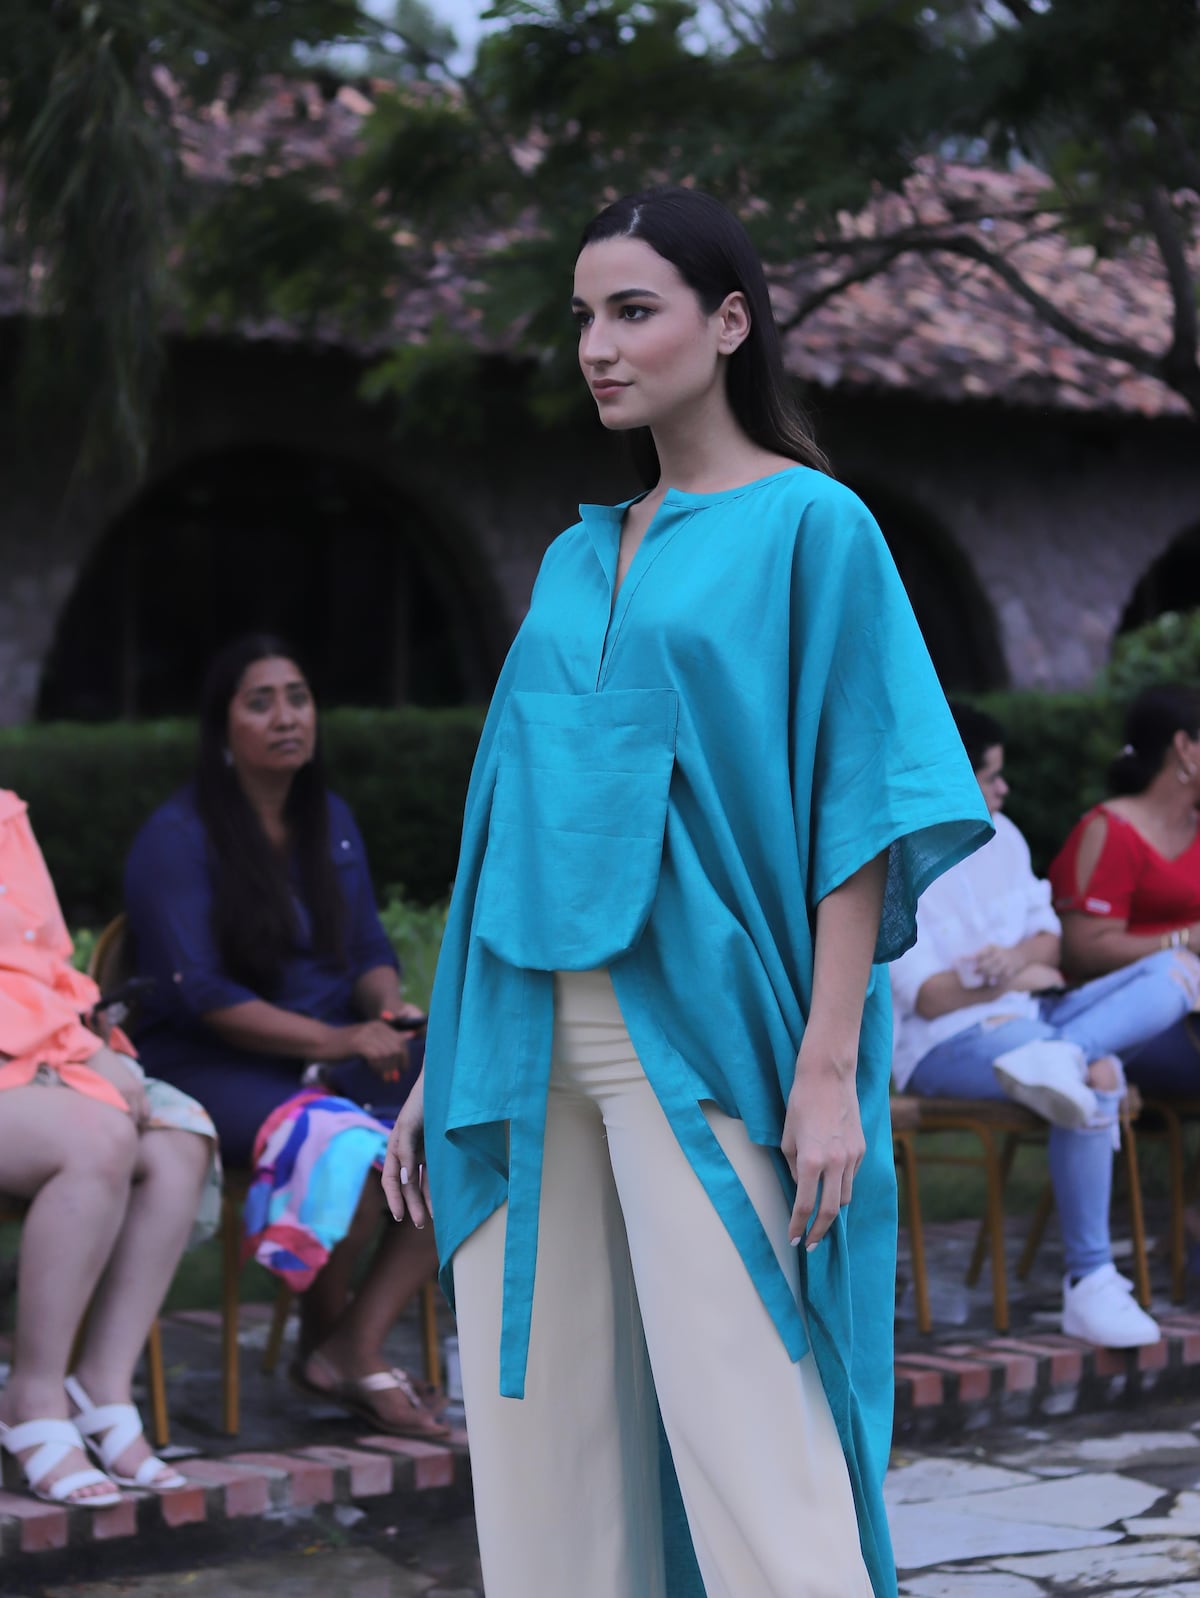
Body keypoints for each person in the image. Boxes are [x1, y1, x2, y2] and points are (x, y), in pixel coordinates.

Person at [382, 186, 993, 1598]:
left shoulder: (815, 526)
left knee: (752, 1427)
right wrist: (444, 1049)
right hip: (521, 1030)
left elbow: (860, 803)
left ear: (728, 324)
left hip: (708, 1028)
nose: (597, 346)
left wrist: (827, 1066)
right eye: (583, 317)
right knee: (543, 1444)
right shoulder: (573, 554)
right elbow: (510, 808)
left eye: (632, 311)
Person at [123, 635, 445, 1440]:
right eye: (260, 702)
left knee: (469, 1114)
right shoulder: (177, 837)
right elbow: (200, 995)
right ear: (222, 727)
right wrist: (340, 1041)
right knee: (352, 1148)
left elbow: (366, 950)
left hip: (330, 1051)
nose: (286, 717)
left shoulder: (327, 821)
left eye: (297, 698)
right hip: (212, 1064)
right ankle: (345, 1355)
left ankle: (347, 1344)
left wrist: (388, 1009)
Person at [890, 703, 1196, 1347]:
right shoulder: (897, 858)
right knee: (1098, 1072)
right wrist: (1013, 974)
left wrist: (1020, 962)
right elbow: (933, 998)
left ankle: (1065, 1053)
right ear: (952, 775)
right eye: (991, 776)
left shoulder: (1003, 835)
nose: (1003, 789)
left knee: (1177, 971)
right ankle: (1090, 1281)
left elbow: (1050, 942)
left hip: (1035, 1020)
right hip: (947, 1045)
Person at [0, 788, 219, 1506]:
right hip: (22, 1052)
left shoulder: (6, 816)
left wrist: (90, 1041)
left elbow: (45, 960)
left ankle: (100, 1382)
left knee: (178, 1137)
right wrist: (78, 1051)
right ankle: (31, 1396)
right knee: (97, 1139)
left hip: (35, 1050)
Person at [1049, 684, 1200, 1095]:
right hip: (1134, 1020)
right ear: (1184, 747)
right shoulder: (1110, 831)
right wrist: (1185, 940)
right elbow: (1081, 951)